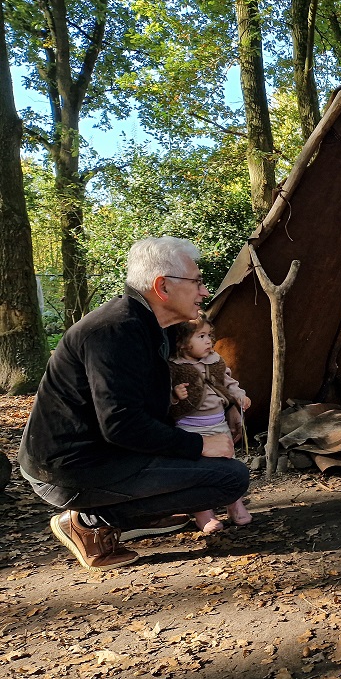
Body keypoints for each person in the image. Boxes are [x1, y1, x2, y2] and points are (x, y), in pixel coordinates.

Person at [19, 237, 251, 570]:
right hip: (70, 467)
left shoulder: (154, 327)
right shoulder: (115, 332)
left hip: (110, 451)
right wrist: (198, 444)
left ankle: (138, 507)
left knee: (221, 472)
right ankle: (88, 520)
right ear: (162, 286)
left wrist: (229, 403)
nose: (204, 291)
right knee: (229, 479)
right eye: (197, 282)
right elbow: (121, 424)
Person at [170, 313, 252, 533]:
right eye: (201, 336)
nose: (209, 341)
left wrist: (239, 396)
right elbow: (162, 398)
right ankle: (203, 513)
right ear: (182, 342)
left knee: (228, 461)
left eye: (209, 335)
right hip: (190, 427)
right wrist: (175, 395)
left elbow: (228, 382)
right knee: (197, 469)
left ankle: (234, 503)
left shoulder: (215, 361)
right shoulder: (175, 367)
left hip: (219, 424)